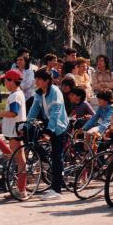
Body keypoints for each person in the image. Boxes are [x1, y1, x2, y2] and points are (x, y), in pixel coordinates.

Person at [25, 69, 70, 200]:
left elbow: (56, 113)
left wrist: (49, 132)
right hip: (48, 123)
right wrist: (25, 125)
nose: (36, 81)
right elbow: (34, 110)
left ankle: (57, 191)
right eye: (36, 78)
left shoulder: (55, 92)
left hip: (59, 126)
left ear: (47, 81)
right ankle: (45, 159)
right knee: (29, 136)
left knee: (57, 156)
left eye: (39, 79)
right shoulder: (39, 93)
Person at [0, 69, 28, 198]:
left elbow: (13, 113)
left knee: (20, 161)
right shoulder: (18, 93)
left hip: (15, 131)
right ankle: (20, 189)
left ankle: (22, 190)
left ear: (11, 81)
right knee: (18, 159)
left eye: (6, 80)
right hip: (14, 130)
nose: (4, 82)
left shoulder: (14, 95)